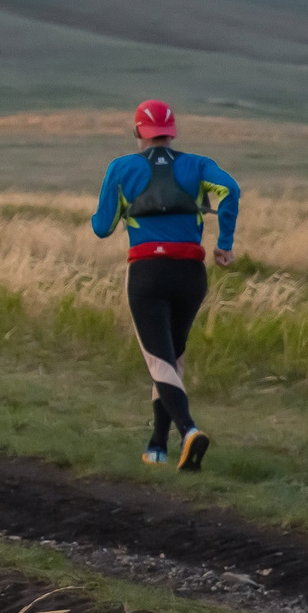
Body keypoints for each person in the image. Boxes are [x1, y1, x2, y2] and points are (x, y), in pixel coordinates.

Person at [90, 100, 240, 472]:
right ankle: (157, 446)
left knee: (159, 361)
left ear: (137, 131)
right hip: (191, 274)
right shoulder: (198, 165)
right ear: (172, 132)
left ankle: (189, 431)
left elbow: (102, 228)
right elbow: (230, 190)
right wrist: (224, 243)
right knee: (172, 358)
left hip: (147, 272)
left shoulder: (122, 168)